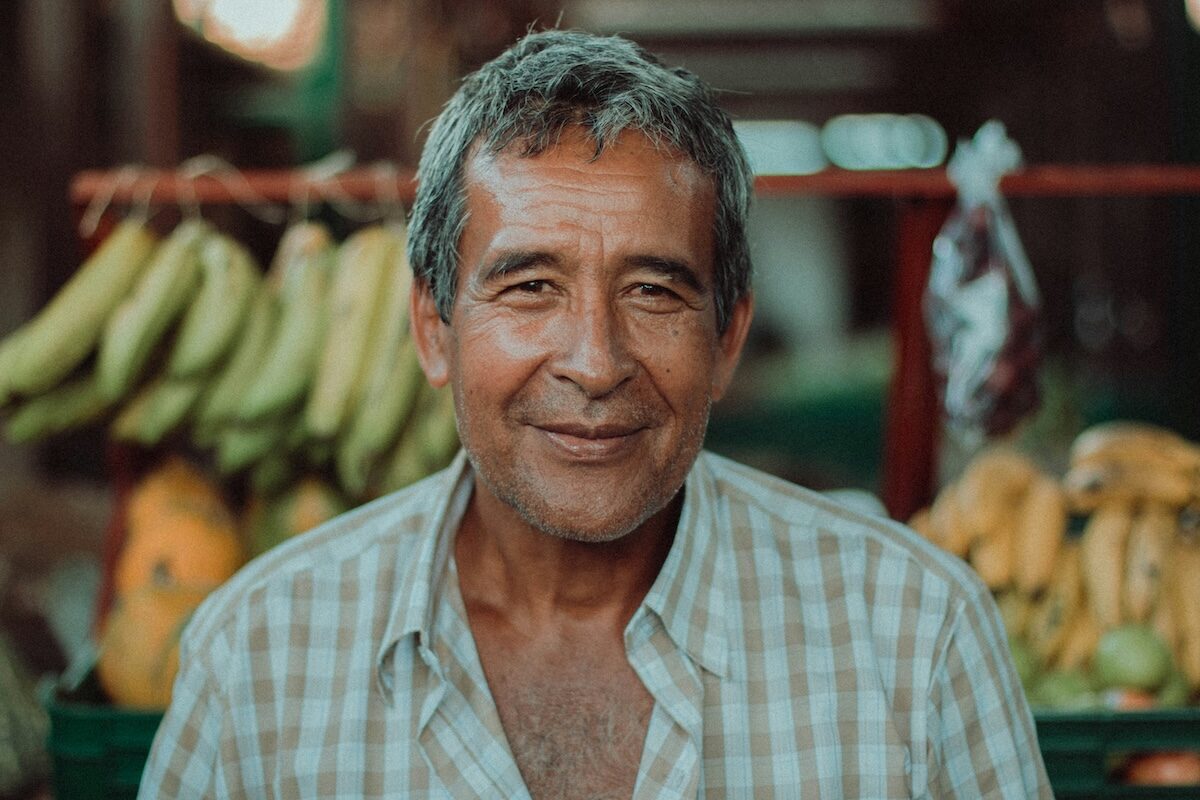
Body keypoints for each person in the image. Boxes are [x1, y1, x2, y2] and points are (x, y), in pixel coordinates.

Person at [139, 29, 1053, 799]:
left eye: (654, 291)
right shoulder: (256, 660)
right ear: (434, 329)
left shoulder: (917, 635)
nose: (595, 362)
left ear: (727, 338)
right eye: (530, 286)